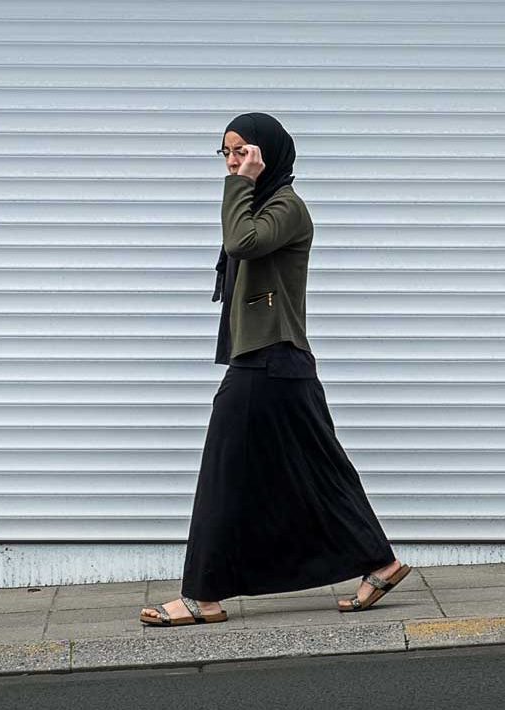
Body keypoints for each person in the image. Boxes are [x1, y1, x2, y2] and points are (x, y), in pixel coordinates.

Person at [139, 112, 411, 627]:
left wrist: (238, 183)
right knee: (320, 469)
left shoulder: (286, 207)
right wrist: (242, 185)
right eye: (227, 152)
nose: (234, 161)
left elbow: (244, 243)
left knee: (223, 472)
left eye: (244, 150)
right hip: (275, 360)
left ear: (268, 153)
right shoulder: (263, 204)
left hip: (269, 359)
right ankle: (382, 563)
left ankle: (203, 595)